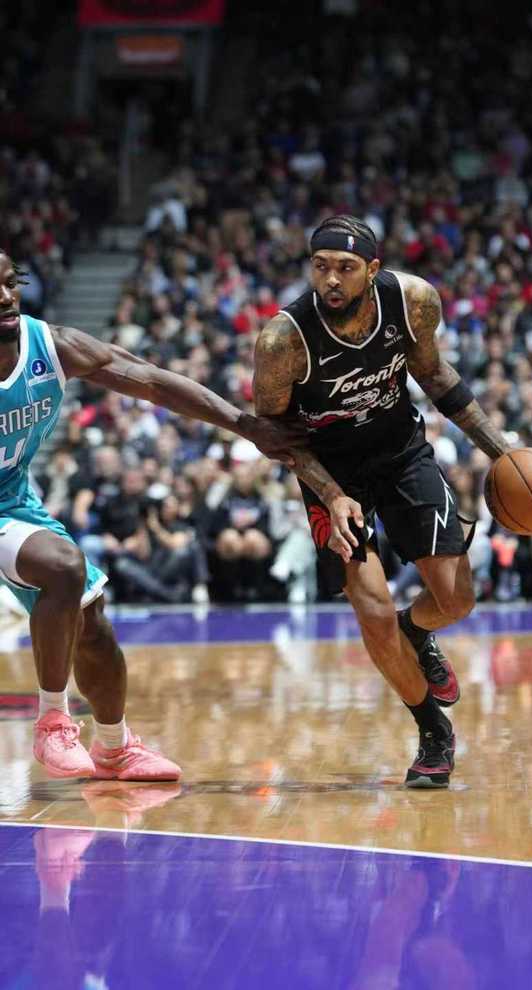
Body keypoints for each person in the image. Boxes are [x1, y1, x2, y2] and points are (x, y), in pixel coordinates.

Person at [0, 250, 304, 781]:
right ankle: (53, 722)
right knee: (64, 566)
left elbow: (151, 380)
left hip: (12, 501)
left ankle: (114, 748)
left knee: (92, 623)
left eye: (11, 283)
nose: (6, 297)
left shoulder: (52, 346)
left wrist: (243, 424)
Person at [253, 215, 513, 787]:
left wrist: (503, 453)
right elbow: (274, 436)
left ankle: (415, 630)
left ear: (372, 270)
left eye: (345, 268)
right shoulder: (282, 341)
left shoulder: (413, 300)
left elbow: (435, 376)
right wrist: (331, 494)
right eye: (320, 267)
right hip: (330, 474)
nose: (331, 280)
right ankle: (433, 730)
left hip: (401, 453)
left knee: (456, 599)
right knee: (372, 615)